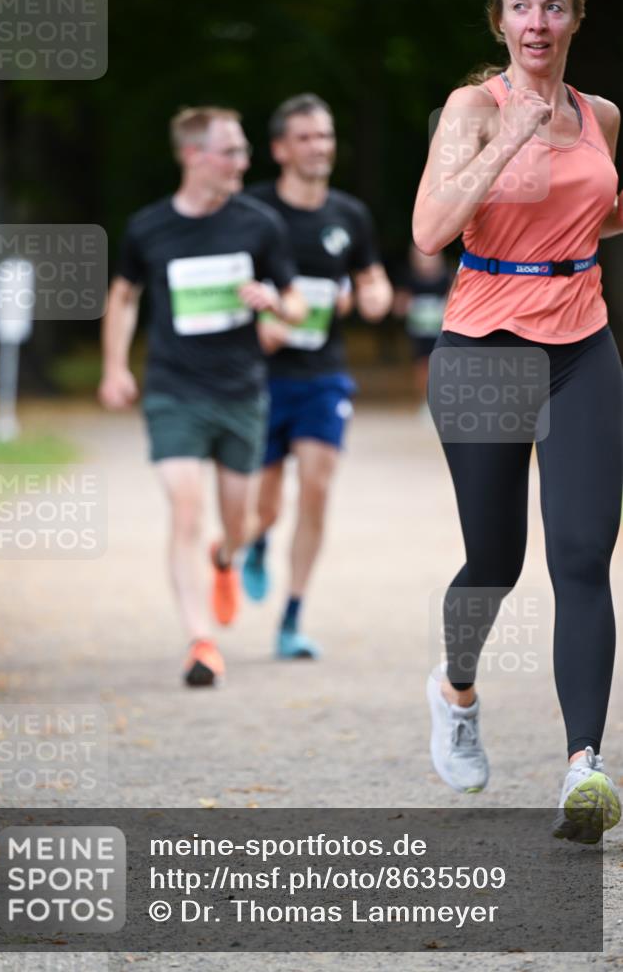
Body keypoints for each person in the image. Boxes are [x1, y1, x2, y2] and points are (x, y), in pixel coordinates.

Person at [413, 0, 622, 843]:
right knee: (494, 561)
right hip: (483, 349)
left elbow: (600, 212)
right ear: (499, 21)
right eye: (521, 6)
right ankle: (455, 690)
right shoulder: (471, 108)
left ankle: (583, 767)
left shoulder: (602, 115)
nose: (538, 22)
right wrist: (506, 145)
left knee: (581, 556)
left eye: (554, 5)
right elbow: (429, 232)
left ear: (577, 15)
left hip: (582, 347)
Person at [98, 106, 305, 687]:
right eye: (231, 151)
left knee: (239, 522)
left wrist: (271, 301)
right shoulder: (148, 228)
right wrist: (115, 366)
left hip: (241, 392)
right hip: (174, 390)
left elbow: (294, 306)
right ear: (194, 155)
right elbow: (124, 296)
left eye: (243, 150)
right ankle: (201, 642)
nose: (243, 161)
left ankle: (226, 557)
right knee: (185, 507)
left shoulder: (259, 225)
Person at [243, 93, 392, 659]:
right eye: (305, 137)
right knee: (266, 503)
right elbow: (232, 282)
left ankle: (292, 617)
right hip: (261, 376)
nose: (319, 147)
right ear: (280, 148)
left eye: (325, 136)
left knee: (317, 487)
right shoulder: (254, 210)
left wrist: (374, 296)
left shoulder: (348, 215)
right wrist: (262, 322)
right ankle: (256, 541)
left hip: (323, 375)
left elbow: (371, 278)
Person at [393, 244, 452, 412]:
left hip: (440, 331)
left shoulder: (446, 278)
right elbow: (399, 305)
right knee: (422, 367)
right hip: (419, 332)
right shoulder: (409, 279)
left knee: (443, 366)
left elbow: (454, 299)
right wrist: (405, 305)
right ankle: (427, 401)